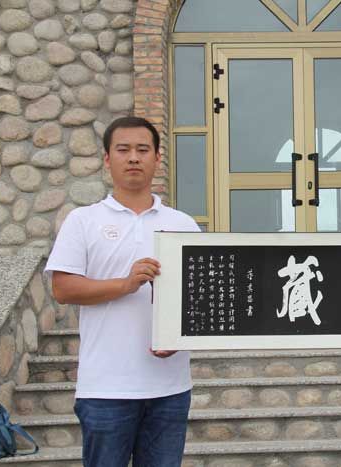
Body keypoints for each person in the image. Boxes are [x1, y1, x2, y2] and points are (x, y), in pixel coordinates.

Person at [46, 116, 199, 467]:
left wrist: (179, 338)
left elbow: (198, 301)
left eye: (143, 149)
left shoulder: (183, 225)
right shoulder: (83, 221)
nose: (133, 157)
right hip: (105, 389)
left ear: (157, 158)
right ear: (106, 158)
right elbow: (63, 288)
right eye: (123, 149)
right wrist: (126, 284)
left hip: (170, 389)